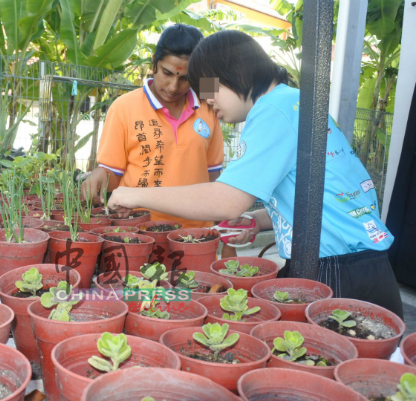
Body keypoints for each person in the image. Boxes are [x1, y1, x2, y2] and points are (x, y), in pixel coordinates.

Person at [107, 30, 403, 318]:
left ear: (231, 73)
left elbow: (226, 200)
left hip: (338, 272)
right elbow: (310, 195)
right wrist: (257, 220)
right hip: (359, 267)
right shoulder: (293, 102)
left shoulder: (273, 110)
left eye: (209, 90)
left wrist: (131, 194)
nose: (209, 102)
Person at [81, 24, 226, 231]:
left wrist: (224, 228)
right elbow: (112, 176)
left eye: (185, 78)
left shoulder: (208, 107)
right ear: (154, 64)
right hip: (139, 232)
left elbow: (213, 175)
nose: (173, 86)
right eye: (167, 73)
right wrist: (98, 177)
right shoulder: (123, 108)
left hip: (195, 234)